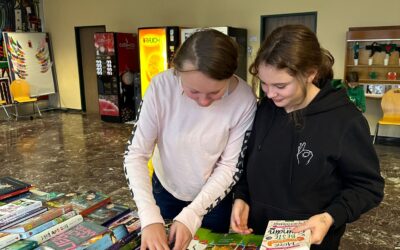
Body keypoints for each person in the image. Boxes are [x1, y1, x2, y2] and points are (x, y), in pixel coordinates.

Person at [230, 25, 384, 250]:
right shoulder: (266, 109)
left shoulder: (345, 121)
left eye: (280, 85)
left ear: (310, 74)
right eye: (264, 83)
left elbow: (368, 187)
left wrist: (329, 217)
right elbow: (249, 162)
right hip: (257, 235)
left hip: (311, 240)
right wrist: (242, 197)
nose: (270, 93)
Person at [124, 29, 256, 250]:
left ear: (230, 76)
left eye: (215, 93)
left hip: (214, 195)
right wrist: (149, 216)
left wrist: (194, 212)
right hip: (165, 188)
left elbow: (230, 166)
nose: (204, 102)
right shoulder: (160, 87)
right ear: (177, 72)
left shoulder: (244, 99)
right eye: (193, 92)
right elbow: (136, 155)